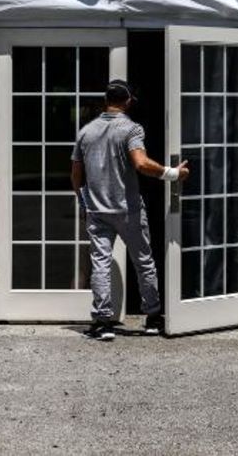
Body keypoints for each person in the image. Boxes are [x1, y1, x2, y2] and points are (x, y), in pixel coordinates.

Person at [70, 79, 189, 341]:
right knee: (143, 261)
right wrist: (173, 173)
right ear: (128, 101)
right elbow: (141, 163)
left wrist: (83, 201)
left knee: (100, 264)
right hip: (128, 209)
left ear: (106, 100)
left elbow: (76, 173)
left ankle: (103, 322)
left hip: (97, 209)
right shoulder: (131, 129)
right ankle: (153, 317)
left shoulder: (86, 131)